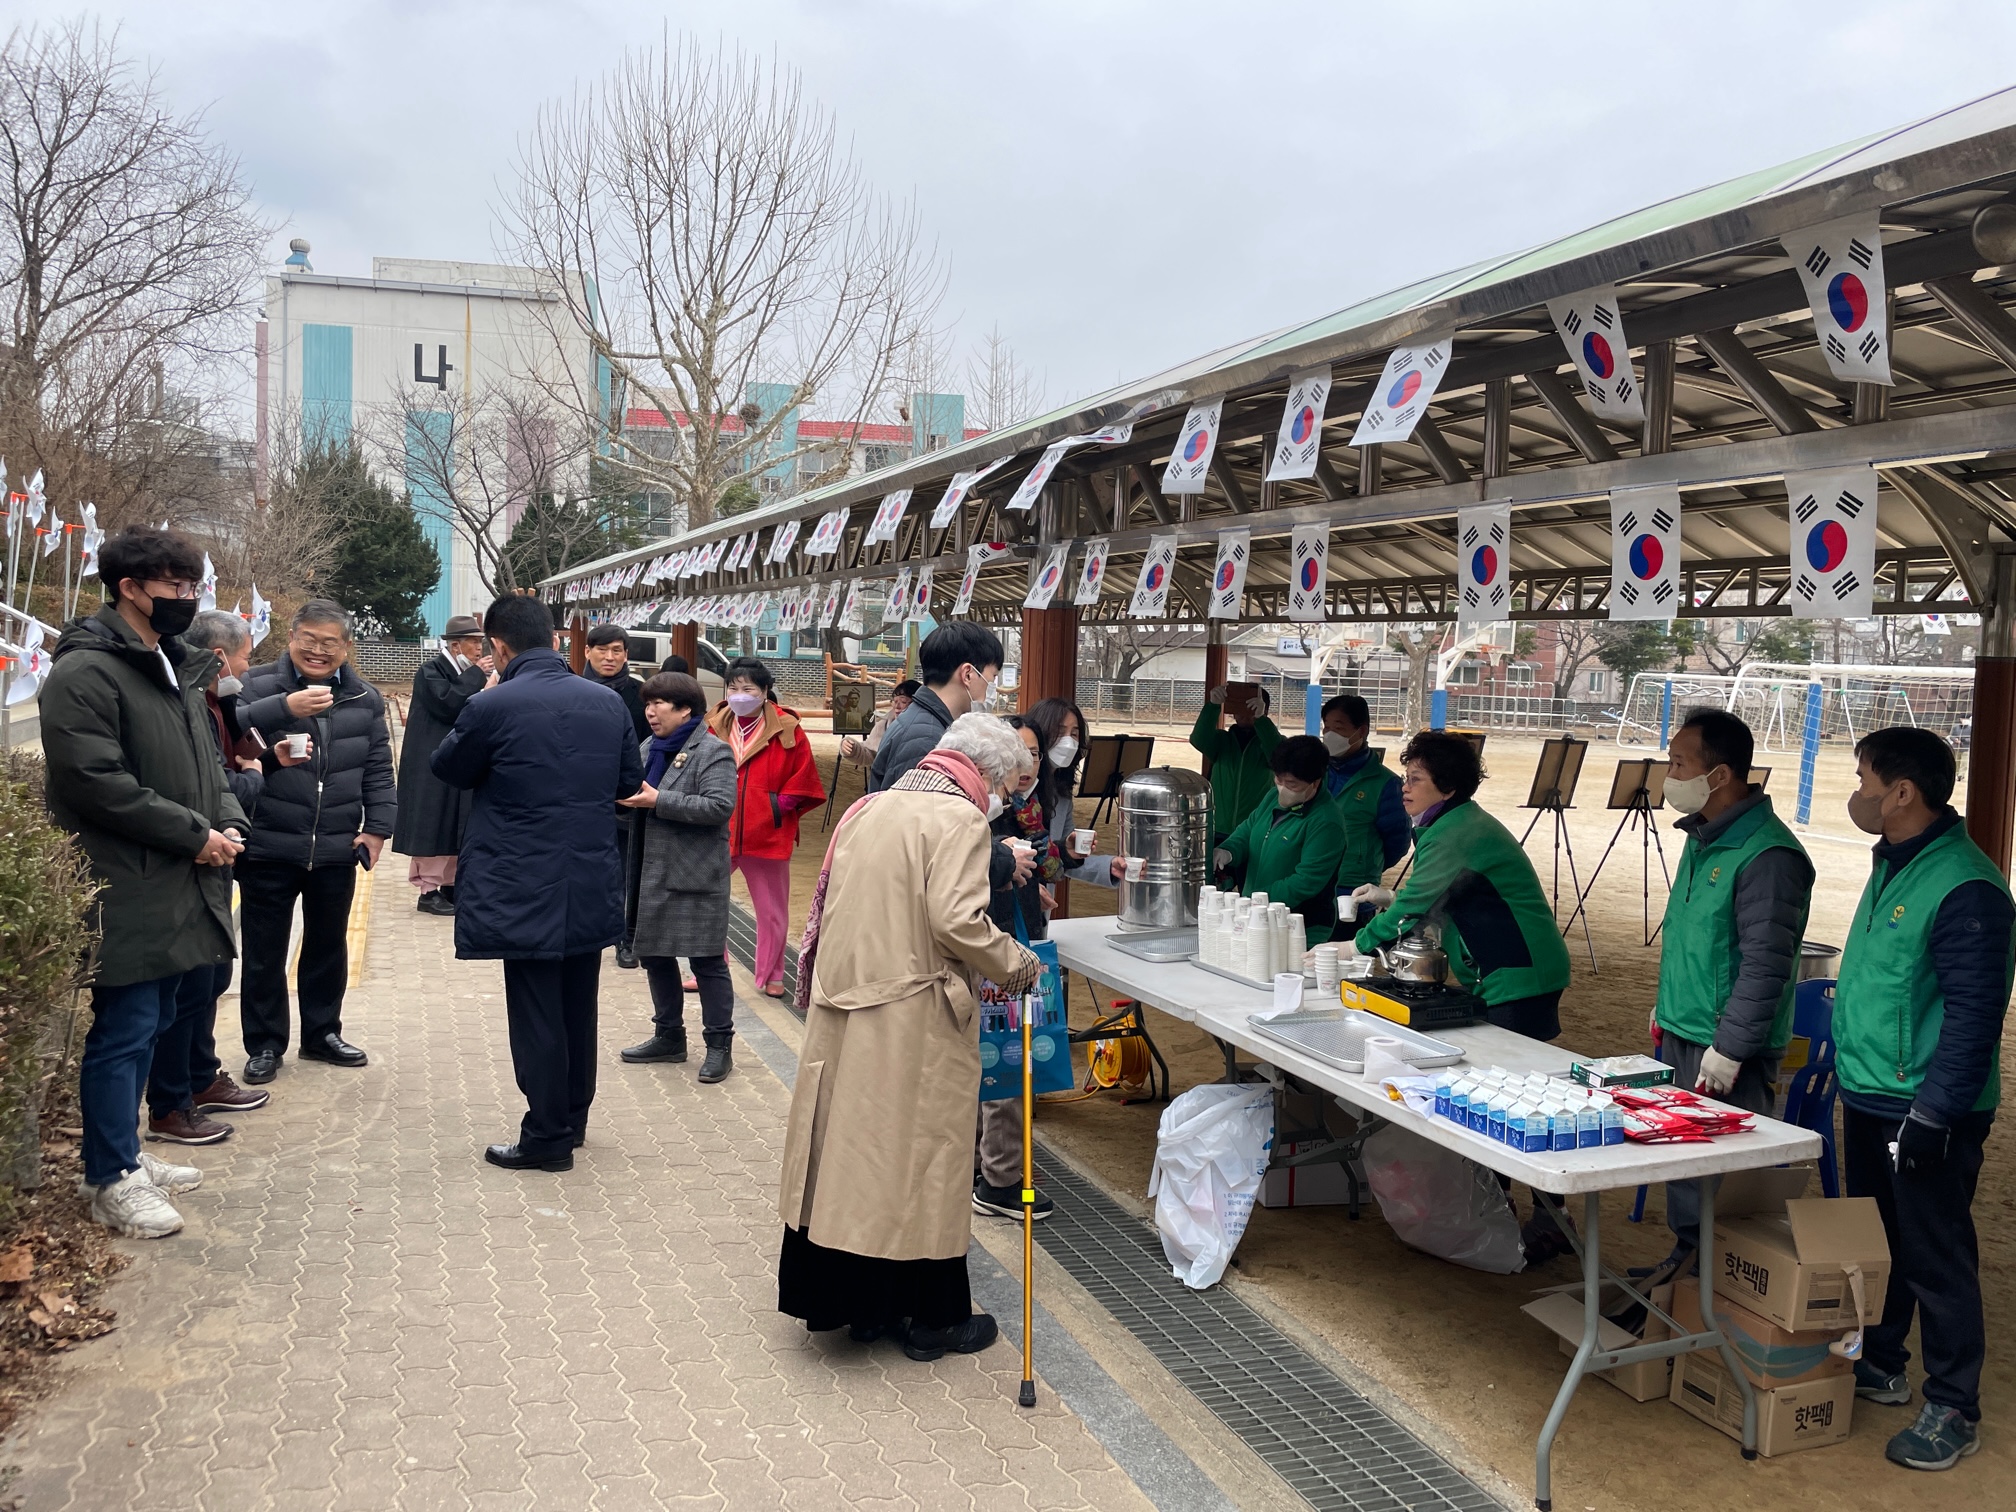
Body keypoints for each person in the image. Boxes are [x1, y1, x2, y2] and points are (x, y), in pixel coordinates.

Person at [779, 713, 1042, 1359]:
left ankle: (860, 1308)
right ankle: (932, 1317)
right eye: (1005, 785)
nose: (1002, 797)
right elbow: (957, 921)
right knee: (924, 1163)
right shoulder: (959, 820)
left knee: (852, 1159)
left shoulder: (872, 805)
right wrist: (1018, 965)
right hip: (913, 1015)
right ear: (985, 774)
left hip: (848, 1005)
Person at [41, 526, 245, 1238]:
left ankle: (123, 1154)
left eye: (193, 586)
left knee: (154, 1022)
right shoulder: (87, 673)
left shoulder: (172, 663)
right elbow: (95, 782)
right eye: (174, 587)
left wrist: (227, 819)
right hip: (125, 881)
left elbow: (207, 762)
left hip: (178, 877)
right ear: (128, 588)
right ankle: (109, 1179)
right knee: (124, 1030)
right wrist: (194, 835)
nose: (187, 599)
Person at [1833, 727, 2012, 1472]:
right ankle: (1881, 1360)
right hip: (1872, 1091)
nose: (1858, 792)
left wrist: (1934, 1113)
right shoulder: (1895, 860)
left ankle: (1953, 1405)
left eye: (1864, 779)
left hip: (1927, 1105)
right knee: (1880, 1243)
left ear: (1902, 791)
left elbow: (1975, 1015)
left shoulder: (1966, 886)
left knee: (1936, 1254)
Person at [432, 595, 642, 1171]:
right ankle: (572, 1119)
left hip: (518, 880)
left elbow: (448, 768)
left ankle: (546, 1137)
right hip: (590, 874)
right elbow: (628, 782)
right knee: (578, 1005)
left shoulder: (490, 705)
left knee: (536, 1011)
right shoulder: (608, 702)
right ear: (554, 640)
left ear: (499, 647)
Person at [1649, 709, 1813, 1263]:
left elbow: (1766, 964)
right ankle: (1686, 1268)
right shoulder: (1703, 836)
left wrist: (1732, 1048)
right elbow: (1696, 937)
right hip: (1684, 1028)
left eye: (1679, 764)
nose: (1669, 775)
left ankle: (1715, 1281)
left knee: (1720, 1178)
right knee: (1683, 1165)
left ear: (1719, 775)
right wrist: (1666, 1006)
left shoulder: (1768, 856)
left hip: (1725, 1048)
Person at [144, 610, 293, 1145]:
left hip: (218, 852)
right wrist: (252, 780)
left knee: (210, 977)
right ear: (220, 658)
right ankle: (170, 1103)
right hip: (188, 857)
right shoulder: (184, 705)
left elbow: (228, 775)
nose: (248, 670)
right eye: (247, 658)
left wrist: (259, 768)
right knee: (185, 986)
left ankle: (200, 1076)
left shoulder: (215, 703)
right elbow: (214, 785)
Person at [233, 601, 395, 1083]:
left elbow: (379, 768)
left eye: (330, 643)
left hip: (336, 845)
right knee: (265, 951)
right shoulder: (255, 686)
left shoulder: (364, 697)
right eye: (309, 639)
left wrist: (377, 828)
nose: (318, 651)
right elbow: (230, 746)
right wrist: (283, 713)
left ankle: (322, 1034)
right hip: (269, 841)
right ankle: (264, 1044)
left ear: (346, 647)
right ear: (291, 637)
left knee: (327, 946)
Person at [1345, 732, 1571, 1039]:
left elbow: (1414, 905)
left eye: (1416, 779)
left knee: (1506, 1061)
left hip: (1519, 972)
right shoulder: (1456, 822)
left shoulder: (1452, 833)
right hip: (1516, 969)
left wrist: (1354, 946)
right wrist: (1390, 897)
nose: (1405, 787)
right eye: (1405, 778)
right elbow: (1443, 892)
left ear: (1448, 787)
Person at [618, 672, 739, 1083]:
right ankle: (668, 1036)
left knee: (706, 961)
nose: (650, 713)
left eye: (659, 704)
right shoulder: (649, 748)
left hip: (694, 874)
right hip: (650, 867)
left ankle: (719, 1044)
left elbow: (719, 807)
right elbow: (637, 799)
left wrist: (659, 800)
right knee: (655, 955)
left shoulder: (713, 750)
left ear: (685, 709)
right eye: (647, 704)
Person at [974, 719, 1061, 1222]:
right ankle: (1002, 1180)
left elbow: (1051, 866)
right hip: (1000, 944)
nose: (1026, 767)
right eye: (1018, 757)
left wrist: (1047, 866)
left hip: (1018, 933)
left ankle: (985, 1168)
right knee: (1007, 1061)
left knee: (996, 1057)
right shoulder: (979, 810)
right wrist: (1006, 861)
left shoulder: (1031, 807)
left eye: (1034, 754)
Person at [707, 657, 824, 998]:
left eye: (748, 689)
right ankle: (708, 969)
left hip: (768, 833)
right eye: (733, 688)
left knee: (772, 911)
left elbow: (803, 777)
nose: (739, 695)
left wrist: (775, 808)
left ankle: (773, 974)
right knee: (706, 902)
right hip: (718, 830)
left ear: (764, 691)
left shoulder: (787, 728)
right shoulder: (713, 725)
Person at [392, 613, 491, 916]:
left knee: (455, 823)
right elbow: (448, 703)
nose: (479, 648)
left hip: (457, 759)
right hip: (429, 763)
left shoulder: (465, 672)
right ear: (456, 645)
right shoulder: (430, 671)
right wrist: (477, 676)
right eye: (473, 642)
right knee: (432, 822)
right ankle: (428, 891)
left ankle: (451, 885)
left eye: (480, 642)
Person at [1214, 735, 1347, 936]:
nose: (1282, 787)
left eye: (1292, 784)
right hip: (1258, 915)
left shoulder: (1326, 822)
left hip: (1300, 926)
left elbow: (1306, 881)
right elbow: (1248, 829)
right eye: (1278, 779)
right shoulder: (1272, 798)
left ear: (1315, 782)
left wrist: (1257, 899)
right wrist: (1227, 851)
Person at [868, 622, 1005, 793]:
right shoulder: (926, 738)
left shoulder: (922, 722)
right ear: (968, 674)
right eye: (993, 677)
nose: (992, 687)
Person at [1319, 694, 1410, 898]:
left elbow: (1397, 842)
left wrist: (1365, 865)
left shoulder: (1385, 783)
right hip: (1312, 881)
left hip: (1354, 888)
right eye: (1326, 728)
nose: (1330, 735)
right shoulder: (1314, 772)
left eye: (1339, 728)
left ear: (1361, 731)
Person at [1190, 682, 1282, 842]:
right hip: (1218, 826)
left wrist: (1261, 720)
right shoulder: (1222, 740)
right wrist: (1212, 706)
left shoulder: (1270, 741)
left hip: (1255, 827)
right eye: (1240, 706)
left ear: (1265, 710)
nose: (1245, 712)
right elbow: (1199, 739)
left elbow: (1279, 756)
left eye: (1251, 706)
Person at [582, 622, 650, 741]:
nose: (609, 657)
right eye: (602, 650)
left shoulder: (643, 692)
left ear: (625, 655)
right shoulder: (573, 691)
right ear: (588, 652)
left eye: (616, 650)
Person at [839, 679, 918, 768]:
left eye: (903, 702)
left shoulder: (926, 729)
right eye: (895, 701)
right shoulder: (883, 726)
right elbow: (869, 754)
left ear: (917, 703)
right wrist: (853, 748)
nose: (897, 706)